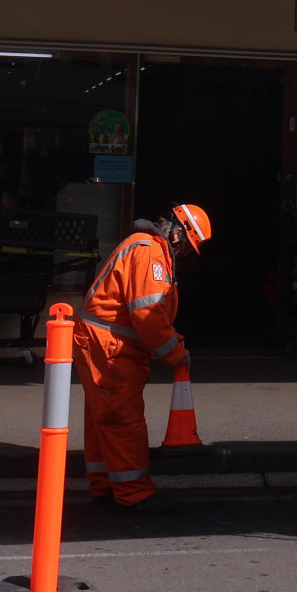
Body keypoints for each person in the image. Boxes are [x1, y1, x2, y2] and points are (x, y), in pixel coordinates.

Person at [76, 202, 211, 512]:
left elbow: (146, 312)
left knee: (103, 417)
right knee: (124, 418)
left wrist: (171, 339)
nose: (187, 255)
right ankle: (133, 492)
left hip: (101, 342)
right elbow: (147, 316)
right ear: (178, 234)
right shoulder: (151, 253)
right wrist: (175, 353)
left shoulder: (144, 246)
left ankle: (105, 484)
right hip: (111, 347)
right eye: (189, 247)